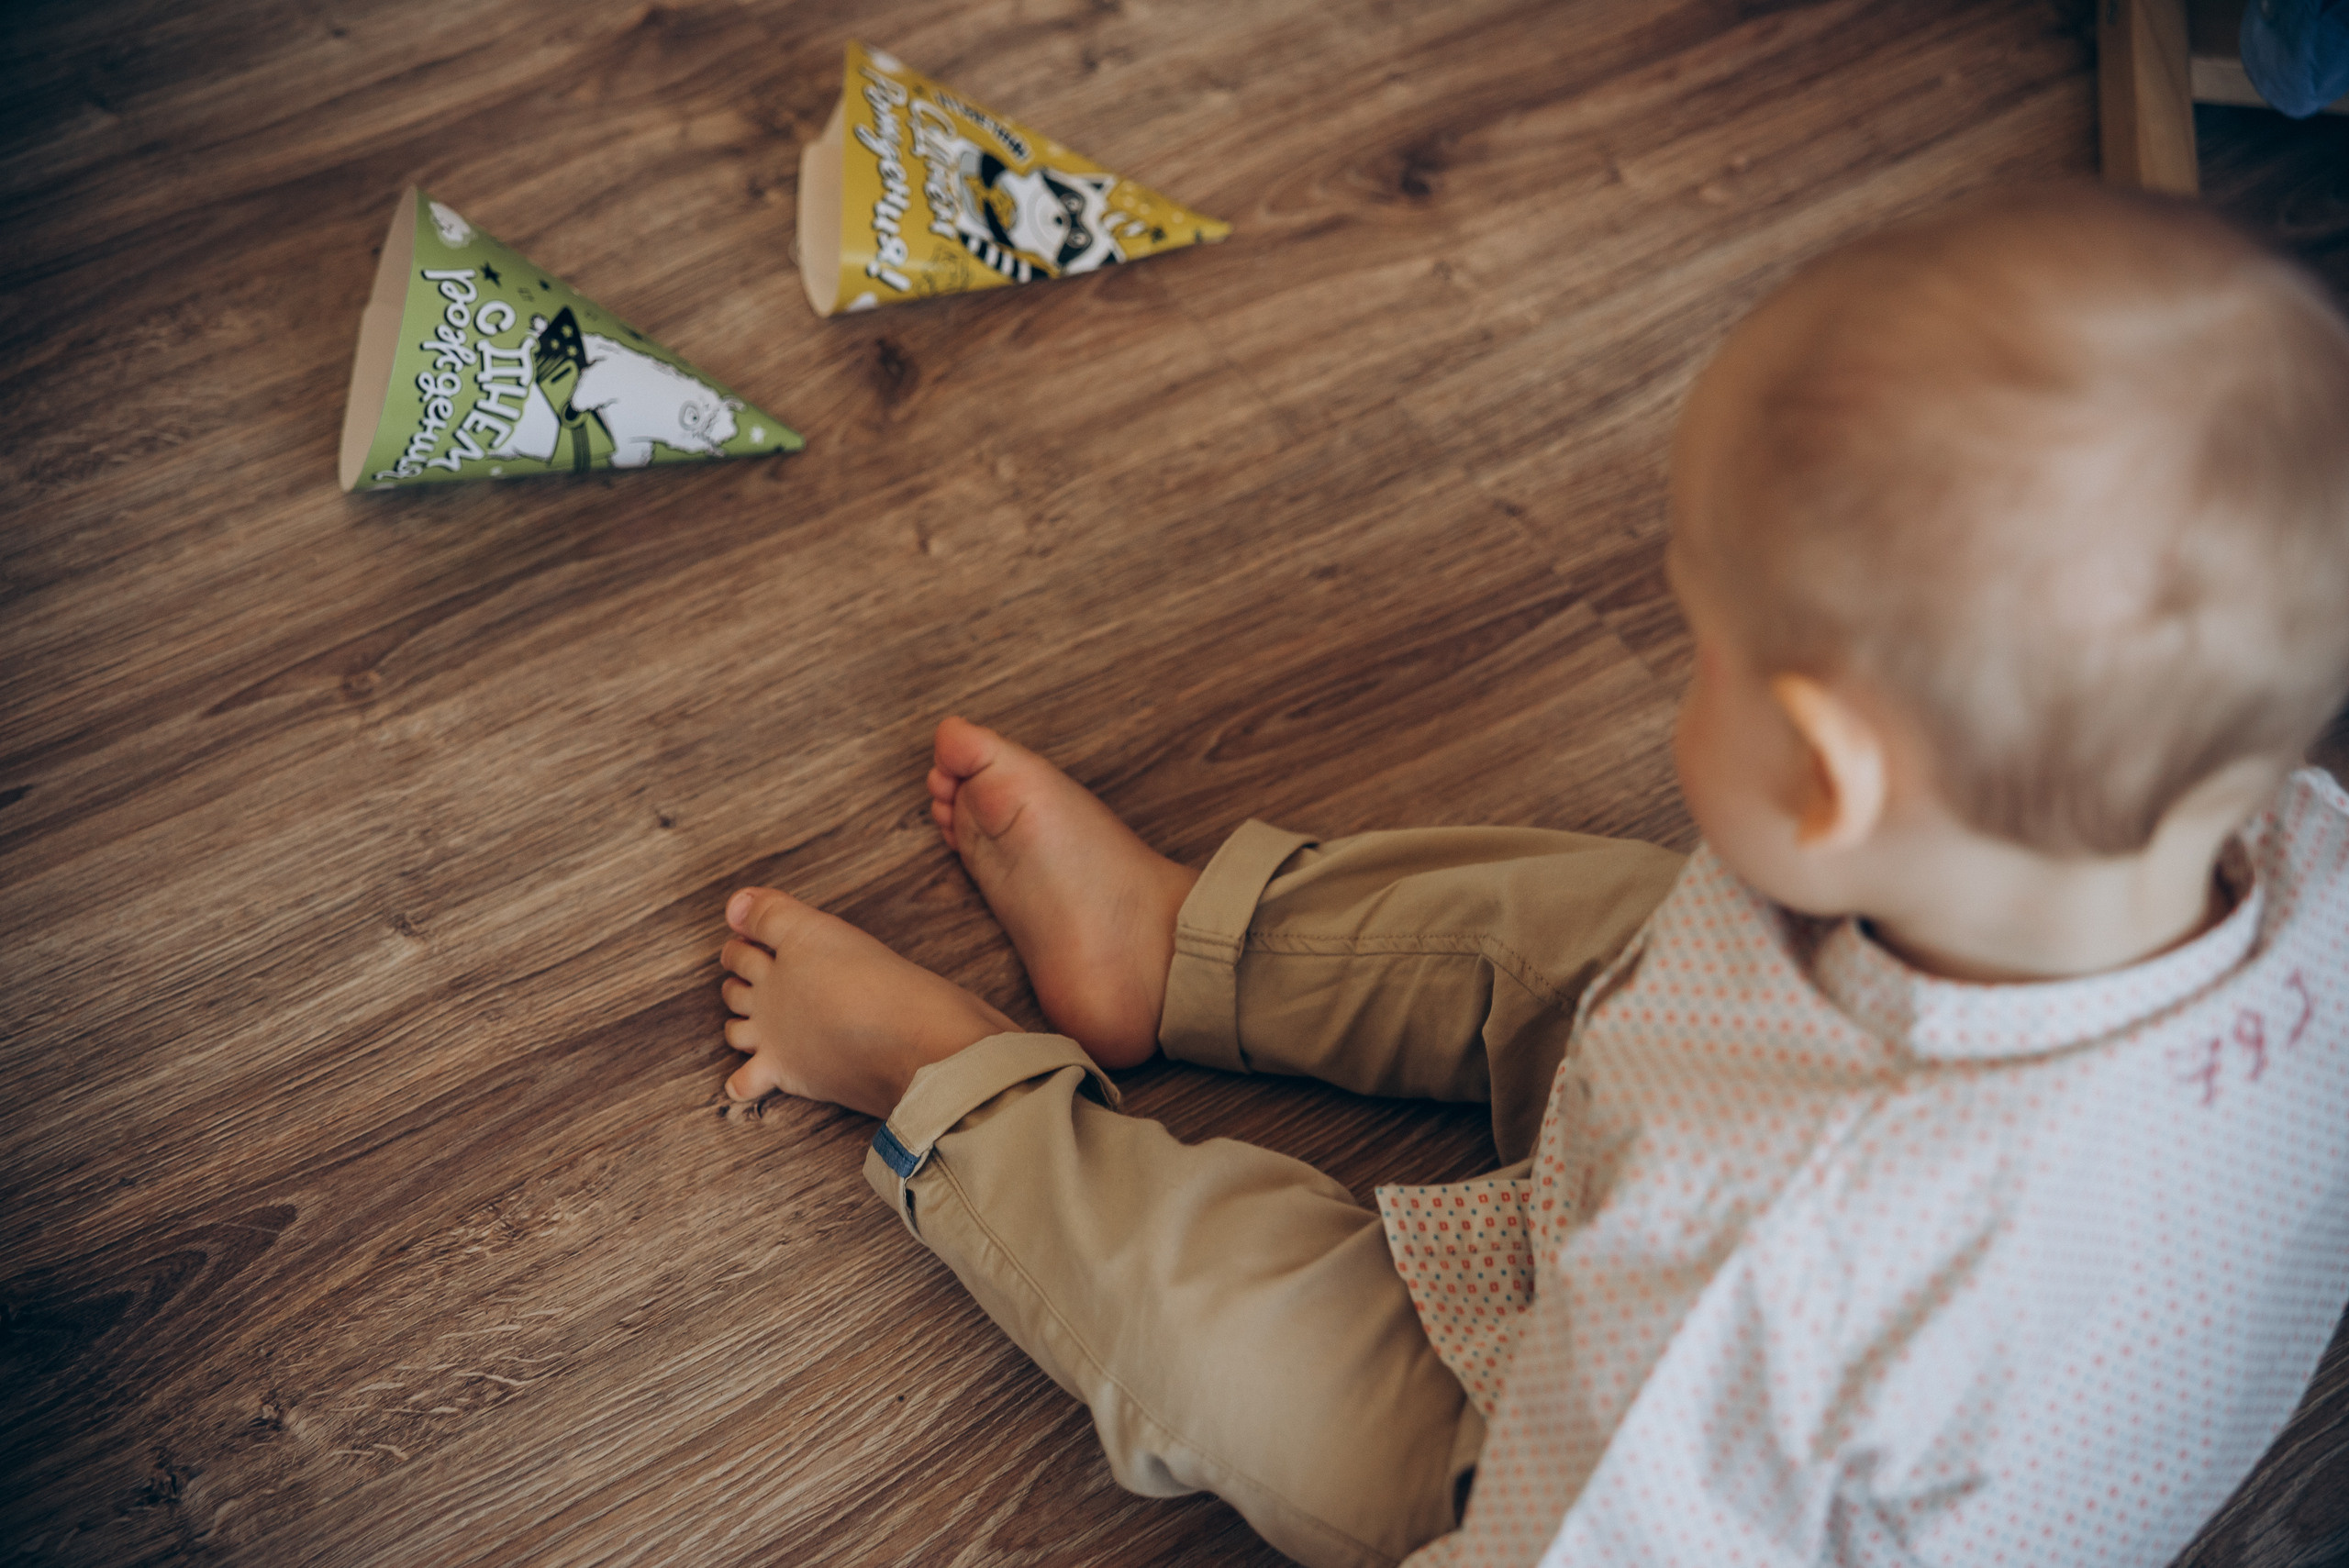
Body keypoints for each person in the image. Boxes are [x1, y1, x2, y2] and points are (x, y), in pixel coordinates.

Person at [712, 184, 2349, 1567]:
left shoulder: (1783, 1276)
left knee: (1216, 1338)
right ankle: (1173, 943)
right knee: (1598, 917)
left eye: (1702, 644)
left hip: (1593, 1466)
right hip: (1749, 1170)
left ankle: (950, 1088)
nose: (1678, 670)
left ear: (1829, 781)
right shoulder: (2297, 855)